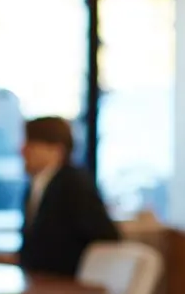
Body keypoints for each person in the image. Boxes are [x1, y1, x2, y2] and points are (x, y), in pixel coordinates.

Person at [18, 117, 119, 277]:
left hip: (67, 283)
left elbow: (106, 237)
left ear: (56, 150)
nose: (22, 151)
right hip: (38, 281)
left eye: (31, 144)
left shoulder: (74, 184)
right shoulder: (34, 185)